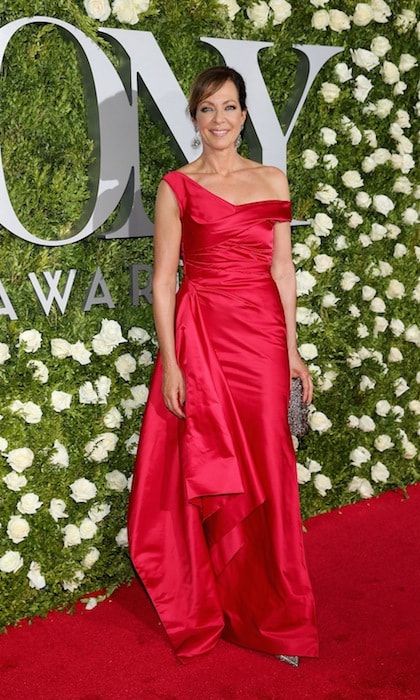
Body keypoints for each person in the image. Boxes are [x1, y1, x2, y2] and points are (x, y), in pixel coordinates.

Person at [127, 65, 320, 667]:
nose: (219, 120)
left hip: (261, 337)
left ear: (244, 115)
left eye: (229, 107)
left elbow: (283, 272)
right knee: (212, 467)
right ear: (194, 118)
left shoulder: (271, 178)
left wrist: (292, 349)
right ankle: (220, 600)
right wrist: (174, 364)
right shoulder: (176, 186)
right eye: (207, 109)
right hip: (203, 336)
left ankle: (275, 613)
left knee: (267, 466)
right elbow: (164, 282)